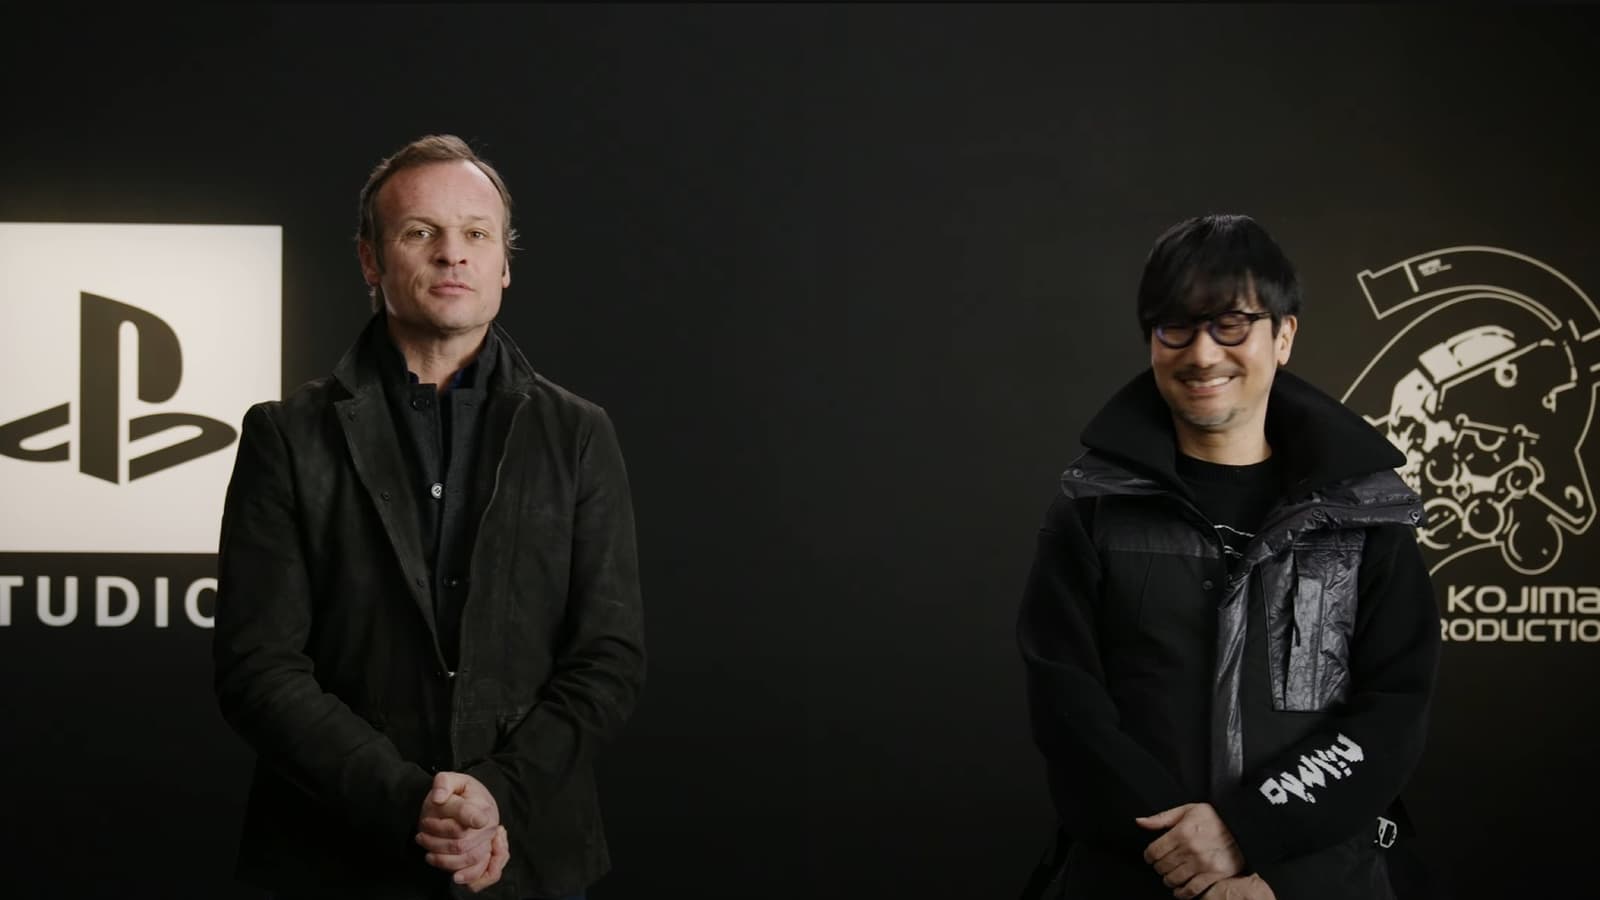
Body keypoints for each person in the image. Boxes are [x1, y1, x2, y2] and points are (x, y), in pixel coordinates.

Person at [214, 134, 645, 900]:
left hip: (529, 863)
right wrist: (413, 803)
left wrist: (496, 797)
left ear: (504, 264)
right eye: (421, 232)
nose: (453, 253)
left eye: (477, 233)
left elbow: (606, 660)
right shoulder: (286, 435)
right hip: (331, 862)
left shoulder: (578, 434)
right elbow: (259, 668)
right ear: (370, 260)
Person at [1017, 215, 1440, 900]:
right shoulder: (1092, 509)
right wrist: (1191, 863)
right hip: (1132, 881)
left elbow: (1392, 715)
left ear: (1284, 336)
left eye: (1232, 325)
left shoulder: (1365, 516)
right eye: (1175, 327)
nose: (1203, 353)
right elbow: (1069, 712)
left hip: (1320, 882)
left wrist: (1253, 836)